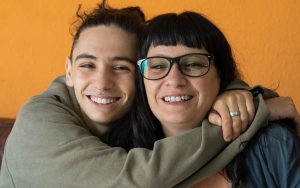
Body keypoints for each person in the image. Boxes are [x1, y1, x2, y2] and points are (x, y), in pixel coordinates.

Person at [0, 1, 297, 187]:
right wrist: (252, 114)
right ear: (68, 71)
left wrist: (238, 96)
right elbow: (132, 180)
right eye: (87, 64)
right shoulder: (39, 120)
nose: (102, 83)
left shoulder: (131, 128)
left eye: (121, 67)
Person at [134, 11, 300, 187]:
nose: (174, 80)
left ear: (220, 74)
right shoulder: (123, 157)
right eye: (158, 66)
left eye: (193, 64)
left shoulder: (272, 145)